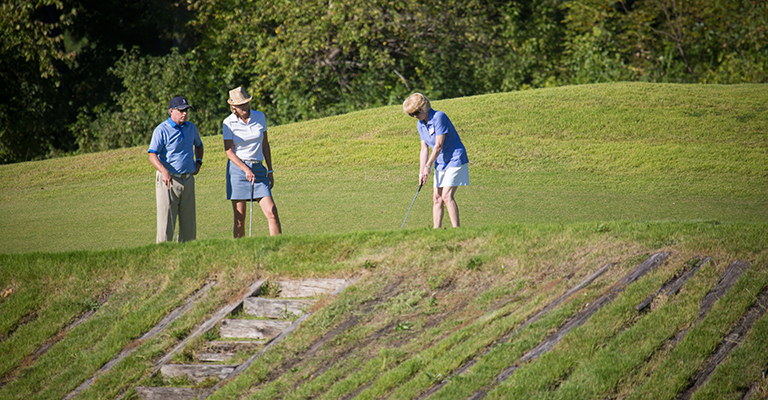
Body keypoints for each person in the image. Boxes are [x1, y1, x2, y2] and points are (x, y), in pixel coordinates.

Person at [403, 93, 469, 228]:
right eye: (411, 114)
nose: (415, 116)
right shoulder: (420, 124)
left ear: (424, 108)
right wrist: (422, 172)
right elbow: (424, 149)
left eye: (416, 112)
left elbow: (438, 145)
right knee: (436, 198)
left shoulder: (439, 117)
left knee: (446, 195)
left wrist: (428, 166)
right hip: (440, 162)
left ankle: (457, 230)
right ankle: (436, 231)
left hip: (454, 158)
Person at [222, 86, 282, 237]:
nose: (245, 107)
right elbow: (229, 151)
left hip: (258, 169)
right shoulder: (228, 123)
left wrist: (270, 170)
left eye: (246, 103)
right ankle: (240, 252)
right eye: (241, 105)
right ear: (233, 107)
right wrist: (245, 169)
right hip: (237, 171)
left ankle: (279, 247)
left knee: (272, 211)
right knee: (240, 218)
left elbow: (265, 144)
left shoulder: (259, 117)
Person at [148, 96, 204, 243]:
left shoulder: (191, 128)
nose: (184, 114)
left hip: (188, 180)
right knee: (166, 224)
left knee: (189, 226)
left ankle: (187, 257)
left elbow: (199, 145)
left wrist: (198, 163)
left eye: (186, 111)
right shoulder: (161, 130)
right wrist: (163, 171)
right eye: (181, 111)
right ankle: (164, 257)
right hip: (168, 180)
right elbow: (152, 155)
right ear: (171, 111)